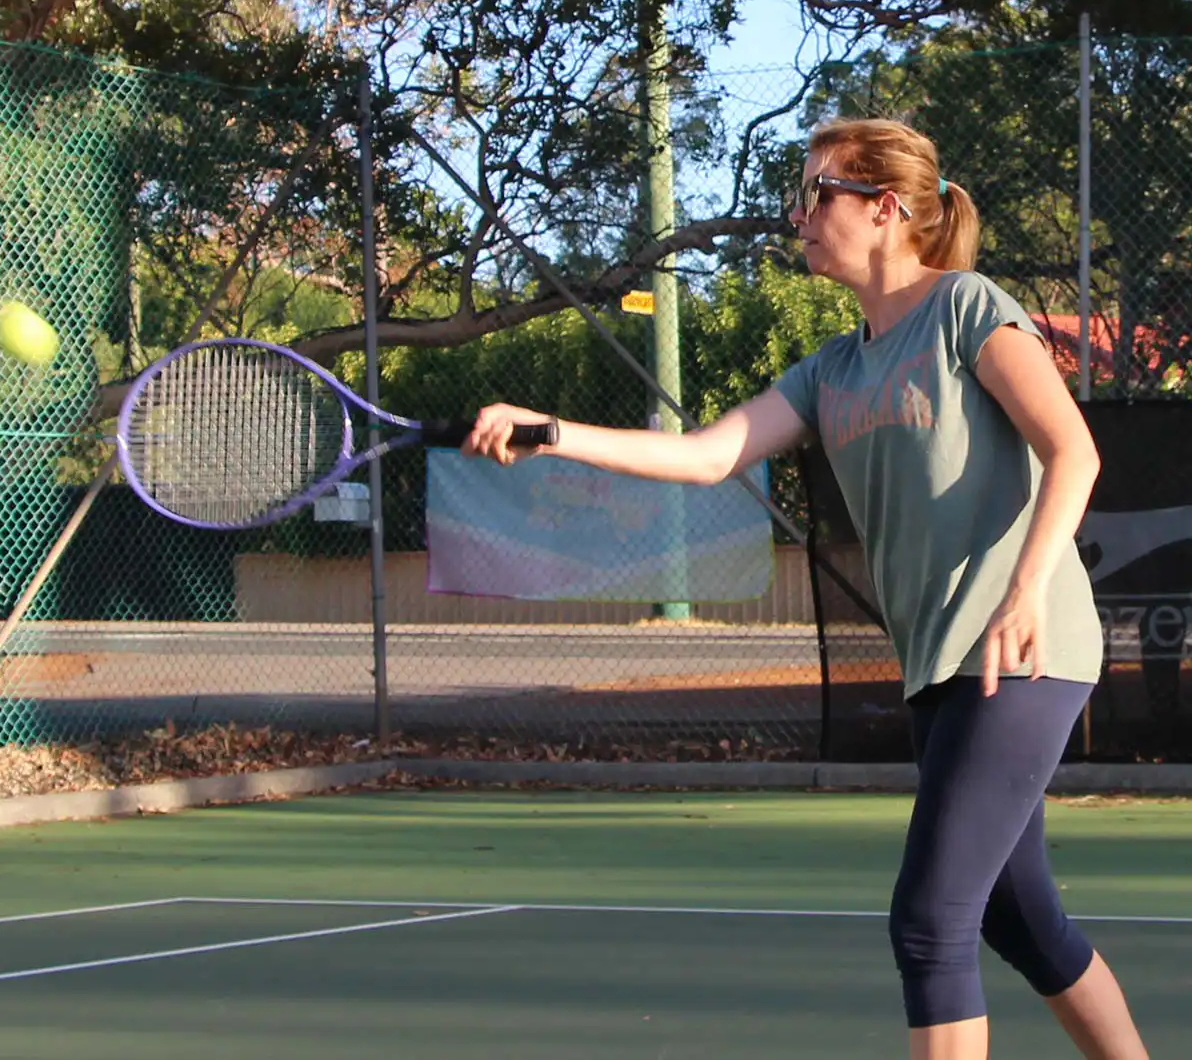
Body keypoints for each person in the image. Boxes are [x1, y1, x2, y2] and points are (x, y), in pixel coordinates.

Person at [463, 117, 1149, 1060]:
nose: (799, 214)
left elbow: (1073, 449)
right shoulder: (833, 368)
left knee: (929, 921)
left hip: (1024, 653)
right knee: (1020, 919)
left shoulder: (967, 308)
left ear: (885, 208)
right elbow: (707, 456)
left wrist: (1026, 591)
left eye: (817, 192)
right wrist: (549, 429)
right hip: (939, 664)